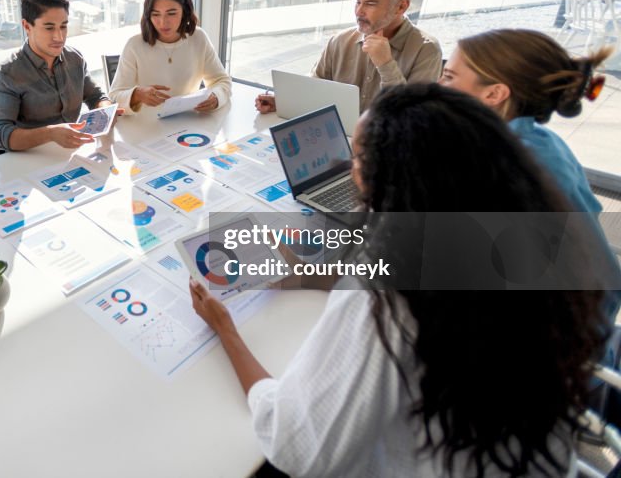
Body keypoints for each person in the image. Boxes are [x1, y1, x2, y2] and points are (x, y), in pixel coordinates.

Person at [191, 83, 612, 476]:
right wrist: (309, 275)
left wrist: (226, 330)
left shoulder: (387, 297)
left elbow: (297, 446)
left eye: (356, 159)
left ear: (393, 184)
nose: (346, 168)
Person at [439, 28, 610, 213]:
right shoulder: (543, 139)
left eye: (448, 77)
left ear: (495, 94)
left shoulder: (500, 165)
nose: (438, 84)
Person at [255, 0, 442, 115]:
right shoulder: (340, 41)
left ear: (401, 7)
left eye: (370, 4)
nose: (359, 11)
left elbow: (413, 118)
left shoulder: (426, 50)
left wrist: (386, 64)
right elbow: (314, 90)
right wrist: (285, 102)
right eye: (358, 2)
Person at [0, 0, 113, 152]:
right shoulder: (6, 75)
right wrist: (50, 134)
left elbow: (96, 96)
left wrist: (105, 112)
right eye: (49, 28)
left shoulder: (75, 58)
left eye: (63, 26)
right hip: (32, 161)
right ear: (27, 26)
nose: (59, 37)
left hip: (73, 154)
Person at [108, 0, 231, 114]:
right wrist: (136, 95)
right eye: (155, 14)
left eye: (171, 13)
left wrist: (216, 97)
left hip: (187, 123)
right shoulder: (134, 45)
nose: (163, 22)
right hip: (145, 129)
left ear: (184, 11)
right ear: (148, 14)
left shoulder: (198, 38)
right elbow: (113, 98)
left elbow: (222, 81)